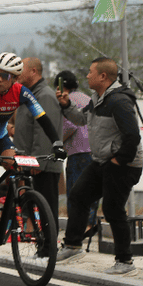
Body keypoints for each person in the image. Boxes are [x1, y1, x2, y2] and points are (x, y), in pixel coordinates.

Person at [0, 52, 64, 260]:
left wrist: (57, 143)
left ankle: (7, 209)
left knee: (17, 168)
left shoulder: (22, 93)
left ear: (15, 79)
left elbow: (42, 118)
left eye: (5, 76)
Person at [55, 57, 143, 275]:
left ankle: (125, 262)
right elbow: (81, 120)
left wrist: (118, 160)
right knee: (78, 195)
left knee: (113, 209)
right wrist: (66, 105)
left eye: (91, 72)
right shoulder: (97, 98)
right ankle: (73, 246)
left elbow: (132, 136)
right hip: (102, 161)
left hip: (124, 163)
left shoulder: (119, 101)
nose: (87, 76)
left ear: (103, 76)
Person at [12, 57, 64, 216]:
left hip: (43, 165)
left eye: (21, 69)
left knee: (47, 209)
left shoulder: (45, 96)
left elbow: (44, 132)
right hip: (28, 162)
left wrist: (37, 162)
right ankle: (36, 238)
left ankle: (50, 241)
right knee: (32, 207)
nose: (17, 73)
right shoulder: (28, 95)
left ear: (34, 71)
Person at [54, 70, 92, 202]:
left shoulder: (66, 101)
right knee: (90, 193)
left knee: (75, 194)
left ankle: (78, 223)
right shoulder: (86, 98)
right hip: (93, 150)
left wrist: (55, 142)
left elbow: (70, 126)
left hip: (78, 152)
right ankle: (90, 222)